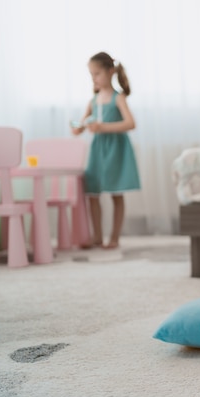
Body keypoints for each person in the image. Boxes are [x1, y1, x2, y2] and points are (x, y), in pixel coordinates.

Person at [71, 52, 140, 249]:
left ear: (110, 72)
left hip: (116, 150)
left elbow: (130, 123)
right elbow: (83, 124)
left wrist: (104, 128)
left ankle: (115, 237)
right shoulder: (93, 101)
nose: (94, 78)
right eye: (91, 75)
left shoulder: (118, 98)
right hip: (97, 151)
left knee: (116, 193)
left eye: (97, 73)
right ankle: (97, 236)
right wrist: (78, 127)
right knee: (93, 192)